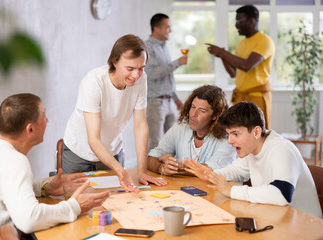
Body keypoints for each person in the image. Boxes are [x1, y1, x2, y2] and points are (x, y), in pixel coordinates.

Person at [0, 93, 110, 240]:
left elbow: (6, 188)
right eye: (44, 116)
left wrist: (45, 188)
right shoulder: (15, 161)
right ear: (30, 129)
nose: (47, 120)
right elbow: (29, 220)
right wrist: (75, 206)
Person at [62, 34, 166, 192]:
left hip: (112, 151)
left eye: (141, 68)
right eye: (130, 69)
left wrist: (142, 171)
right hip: (79, 152)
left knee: (115, 203)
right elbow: (94, 139)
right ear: (114, 62)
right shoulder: (94, 82)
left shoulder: (141, 80)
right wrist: (121, 170)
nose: (136, 75)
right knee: (76, 203)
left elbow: (140, 127)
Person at [185, 102, 322, 218]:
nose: (230, 141)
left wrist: (232, 190)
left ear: (256, 132)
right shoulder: (252, 148)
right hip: (277, 218)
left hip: (305, 229)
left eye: (236, 134)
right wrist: (211, 174)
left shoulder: (281, 149)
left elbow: (281, 194)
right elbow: (236, 170)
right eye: (229, 134)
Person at [206, 5, 274, 129]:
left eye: (239, 21)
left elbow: (247, 65)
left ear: (252, 21)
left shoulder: (265, 41)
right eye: (235, 21)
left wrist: (223, 53)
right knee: (238, 133)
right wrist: (222, 56)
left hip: (257, 97)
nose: (236, 25)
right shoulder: (241, 44)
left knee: (257, 134)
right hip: (241, 97)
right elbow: (234, 73)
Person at [147, 85, 236, 176]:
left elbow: (208, 170)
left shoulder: (229, 137)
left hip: (221, 189)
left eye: (202, 110)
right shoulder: (180, 128)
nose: (193, 114)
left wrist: (176, 164)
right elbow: (151, 159)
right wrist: (161, 168)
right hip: (188, 188)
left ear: (215, 115)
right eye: (193, 107)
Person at [145, 13, 188, 151]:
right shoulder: (147, 48)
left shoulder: (164, 47)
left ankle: (167, 171)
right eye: (168, 27)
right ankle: (151, 172)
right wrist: (178, 63)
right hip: (155, 103)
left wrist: (175, 99)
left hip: (169, 101)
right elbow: (151, 73)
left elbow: (166, 75)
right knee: (156, 142)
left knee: (171, 141)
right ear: (157, 29)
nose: (170, 30)